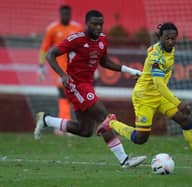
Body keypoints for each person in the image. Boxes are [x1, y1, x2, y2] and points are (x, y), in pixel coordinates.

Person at [96, 22, 192, 171]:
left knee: (185, 120)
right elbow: (159, 85)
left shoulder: (169, 49)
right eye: (167, 38)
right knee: (140, 139)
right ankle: (111, 123)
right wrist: (178, 103)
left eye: (173, 39)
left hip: (159, 95)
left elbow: (154, 76)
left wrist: (144, 76)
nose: (170, 42)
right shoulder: (157, 56)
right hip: (145, 97)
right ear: (159, 37)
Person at [34, 9, 146, 168]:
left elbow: (105, 62)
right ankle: (124, 160)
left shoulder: (102, 40)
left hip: (87, 85)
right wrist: (62, 75)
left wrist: (130, 71)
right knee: (103, 116)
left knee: (85, 130)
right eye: (95, 24)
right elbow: (50, 54)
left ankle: (46, 120)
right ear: (87, 24)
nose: (98, 28)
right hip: (75, 85)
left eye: (101, 24)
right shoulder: (76, 39)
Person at [38, 5, 82, 135]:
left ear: (70, 14)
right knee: (63, 92)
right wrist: (40, 66)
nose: (65, 16)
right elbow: (44, 48)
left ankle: (67, 125)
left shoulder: (77, 28)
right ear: (60, 14)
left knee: (73, 95)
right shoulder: (52, 29)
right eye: (63, 14)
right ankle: (65, 124)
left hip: (75, 67)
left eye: (67, 14)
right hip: (59, 67)